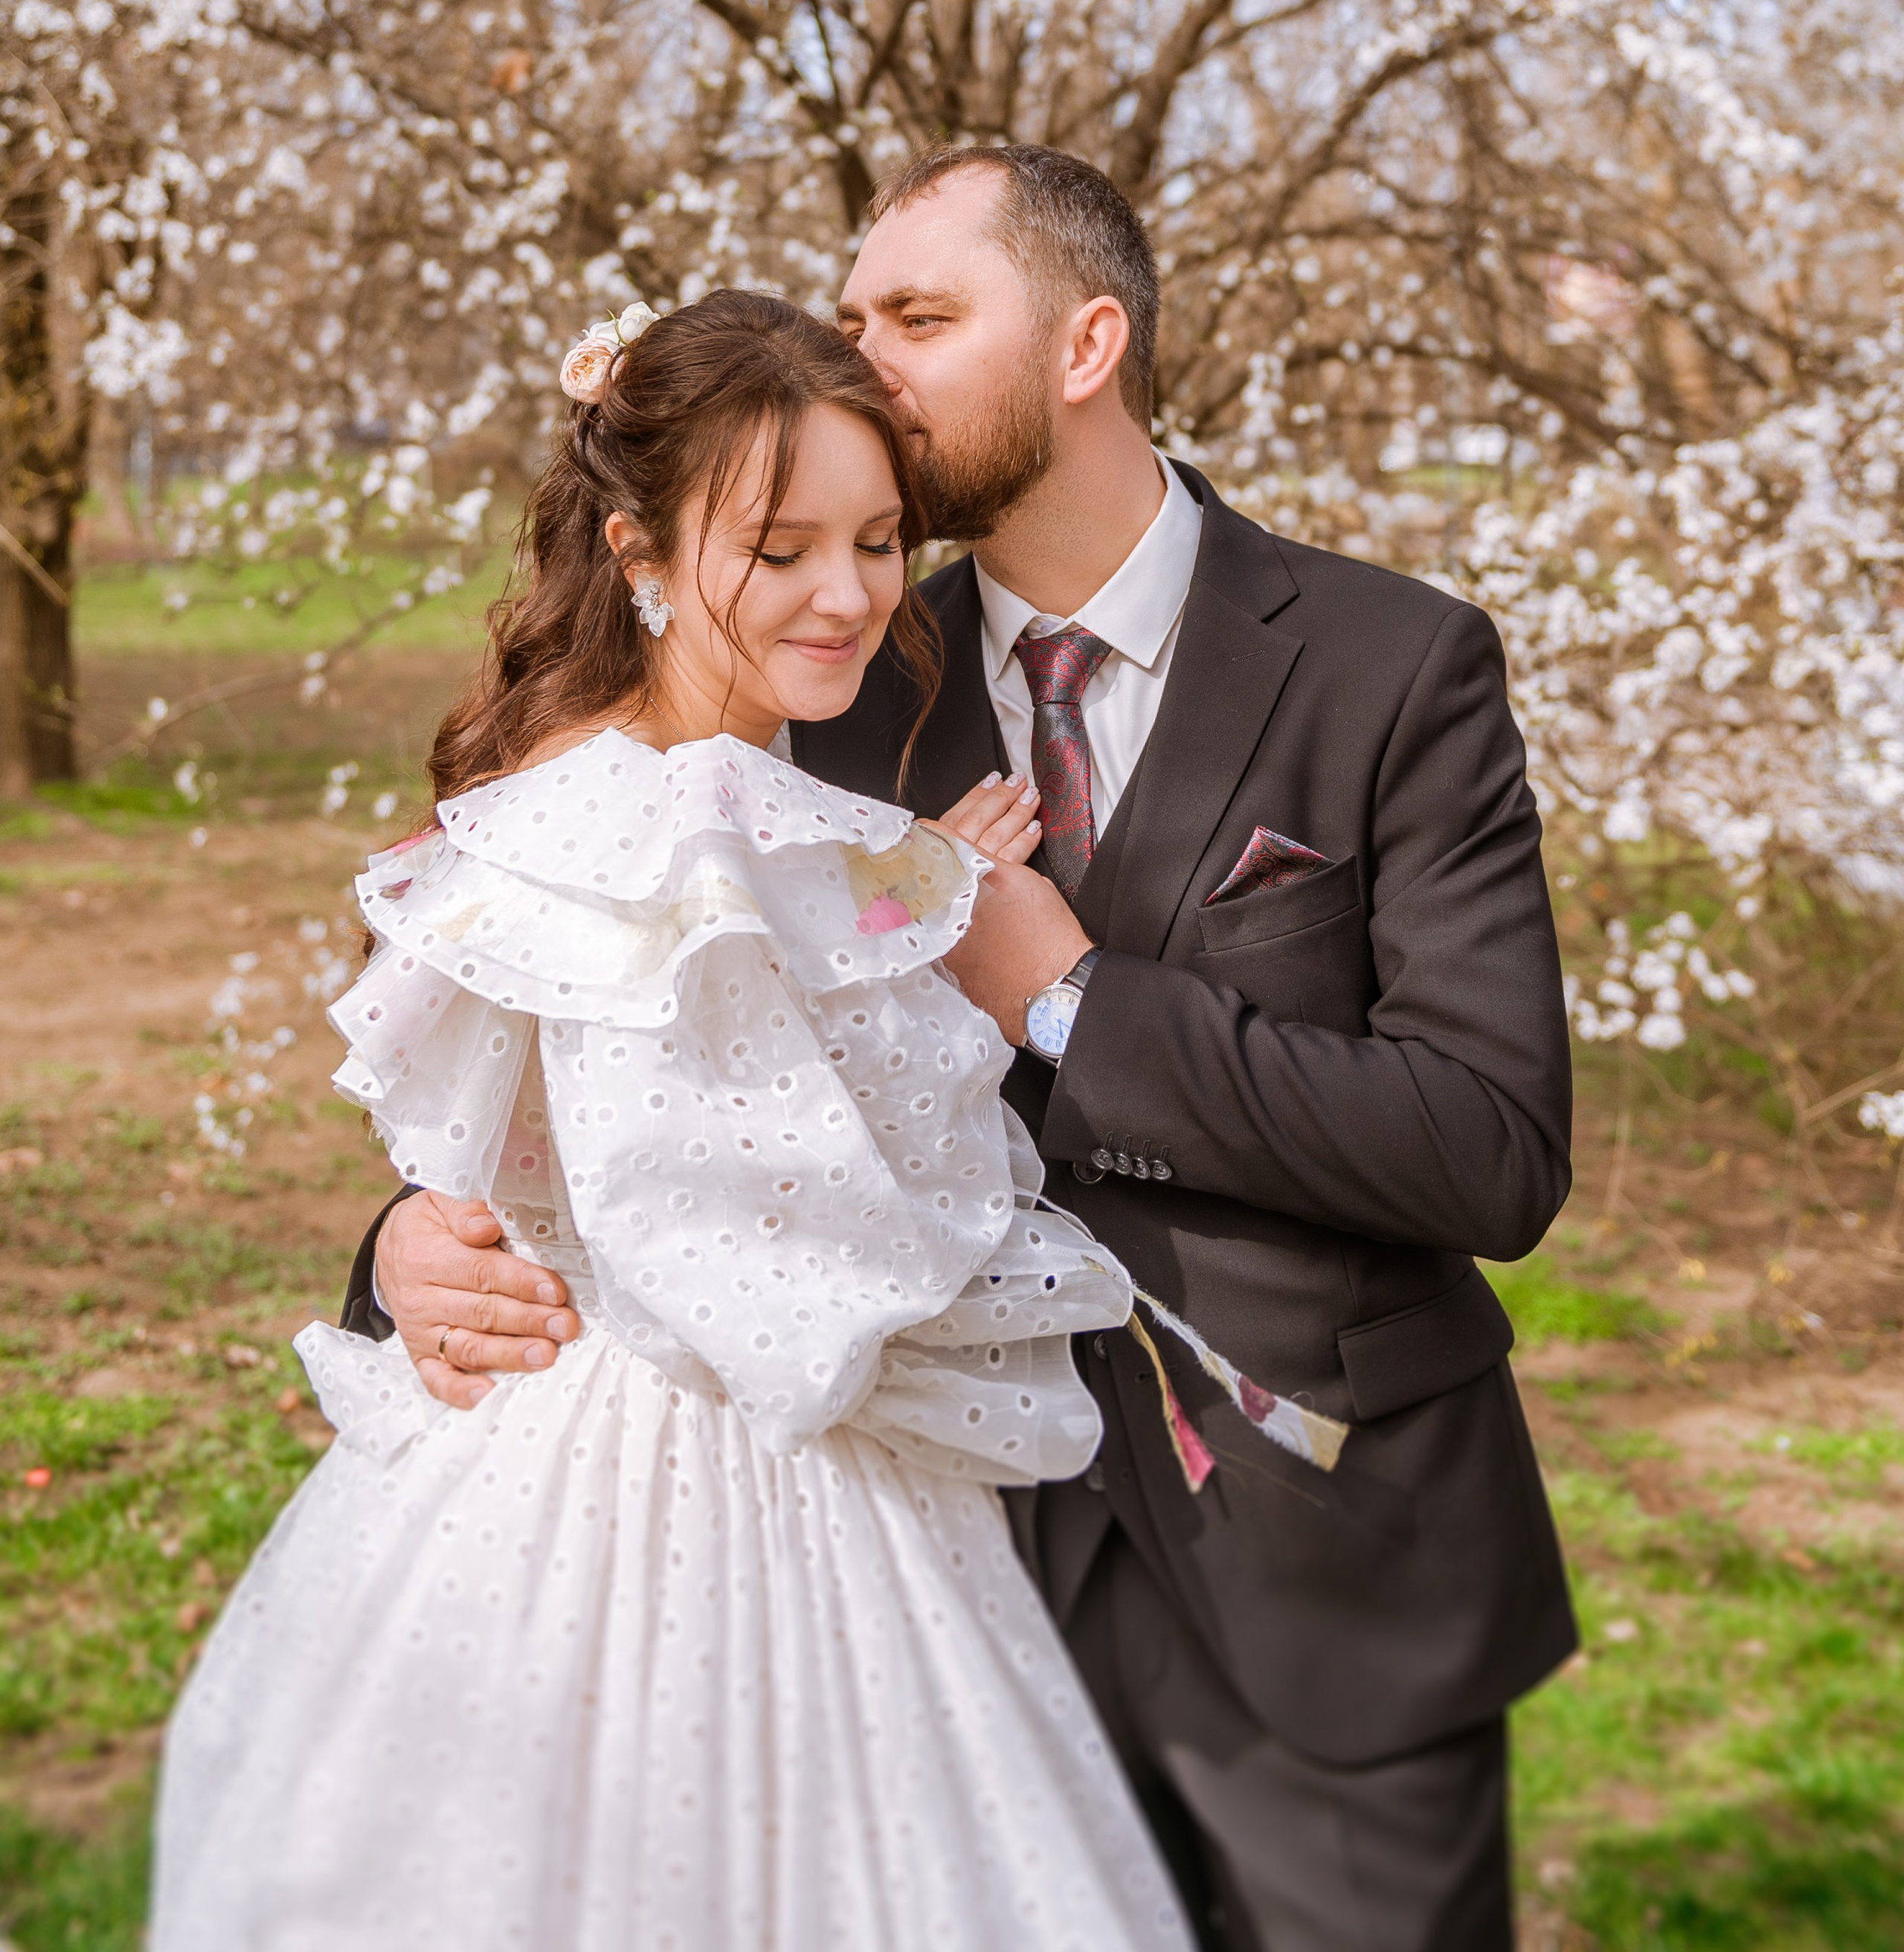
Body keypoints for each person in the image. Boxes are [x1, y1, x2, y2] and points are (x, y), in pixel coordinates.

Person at [359, 149, 1580, 1952]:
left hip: (1315, 1558)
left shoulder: (1395, 668)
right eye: (853, 319)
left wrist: (1074, 1001)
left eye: (918, 318)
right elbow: (583, 1013)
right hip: (921, 1583)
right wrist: (400, 1249)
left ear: (1087, 342)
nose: (867, 363)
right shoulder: (813, 671)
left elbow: (1488, 1149)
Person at [149, 287, 1194, 1952]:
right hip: (717, 1483)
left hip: (522, 1460)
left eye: (873, 540)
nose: (848, 596)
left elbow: (507, 1154)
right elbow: (798, 1260)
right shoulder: (725, 841)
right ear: (638, 552)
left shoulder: (548, 807)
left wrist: (899, 892)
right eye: (778, 551)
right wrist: (944, 939)